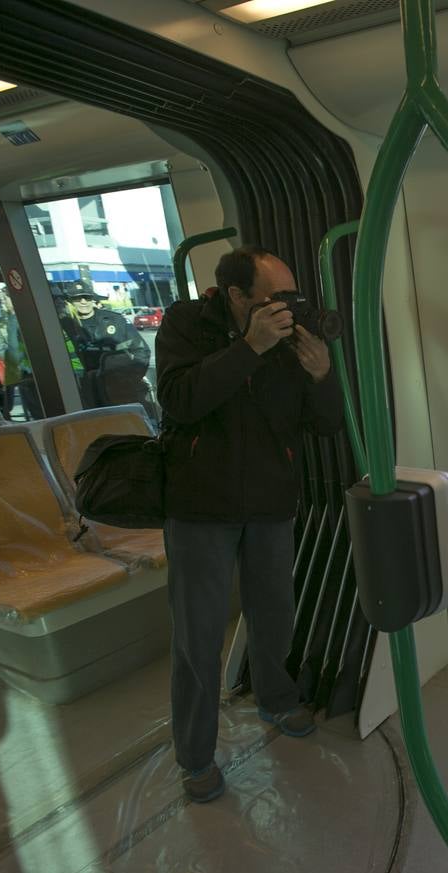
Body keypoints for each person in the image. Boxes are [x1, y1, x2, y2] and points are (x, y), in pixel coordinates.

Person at [156, 246, 342, 802]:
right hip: (199, 507)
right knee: (199, 635)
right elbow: (178, 400)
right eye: (275, 298)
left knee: (275, 615)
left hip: (269, 503)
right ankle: (194, 756)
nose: (287, 308)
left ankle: (277, 698)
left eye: (293, 297)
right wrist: (249, 348)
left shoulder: (288, 339)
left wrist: (323, 376)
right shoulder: (186, 323)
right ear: (237, 296)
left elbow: (326, 425)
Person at [62, 280, 151, 407]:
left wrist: (129, 379)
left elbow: (141, 352)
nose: (83, 302)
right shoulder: (64, 327)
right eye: (77, 298)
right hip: (86, 395)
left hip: (119, 391)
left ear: (93, 299)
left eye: (87, 297)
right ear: (70, 302)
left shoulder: (116, 320)